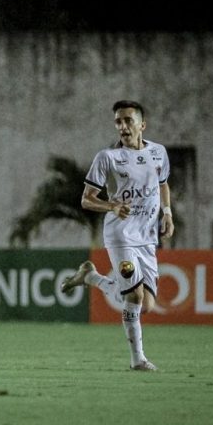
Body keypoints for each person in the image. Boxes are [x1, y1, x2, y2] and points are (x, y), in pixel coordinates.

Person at [61, 100, 174, 371]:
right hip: (120, 234)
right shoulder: (108, 158)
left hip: (146, 237)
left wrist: (167, 213)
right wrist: (112, 205)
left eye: (128, 120)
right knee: (133, 296)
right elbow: (87, 200)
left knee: (145, 304)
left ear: (141, 125)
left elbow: (163, 184)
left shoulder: (158, 153)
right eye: (118, 122)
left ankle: (90, 277)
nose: (122, 126)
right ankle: (138, 360)